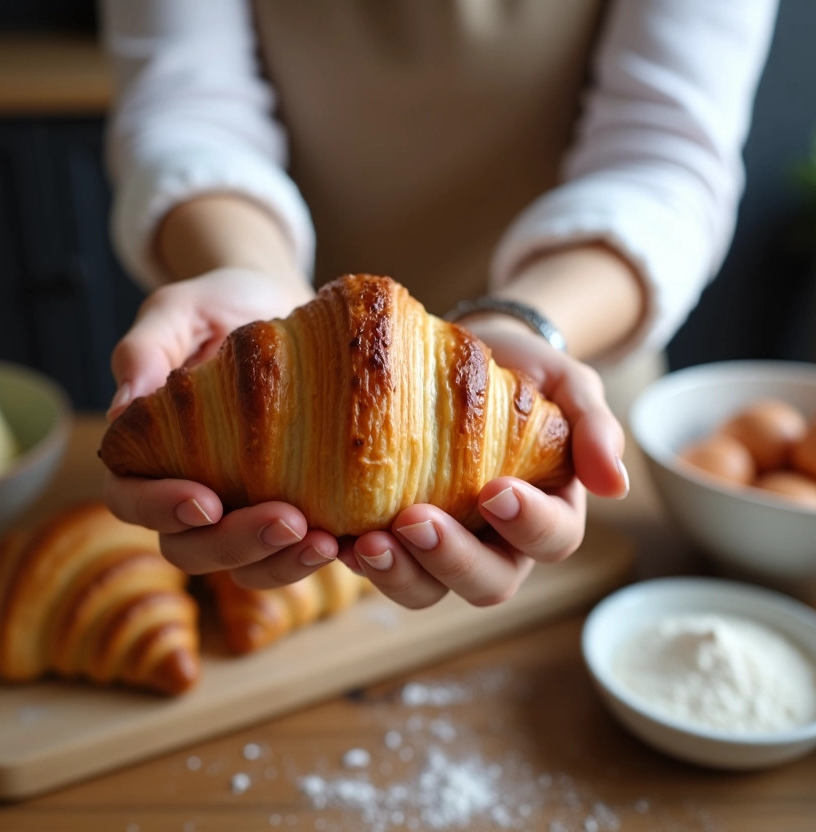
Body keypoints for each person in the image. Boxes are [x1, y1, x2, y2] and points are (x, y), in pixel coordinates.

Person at [99, 0, 777, 610]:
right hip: (261, 366)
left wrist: (524, 325)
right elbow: (185, 105)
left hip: (563, 349)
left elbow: (666, 155)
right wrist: (249, 272)